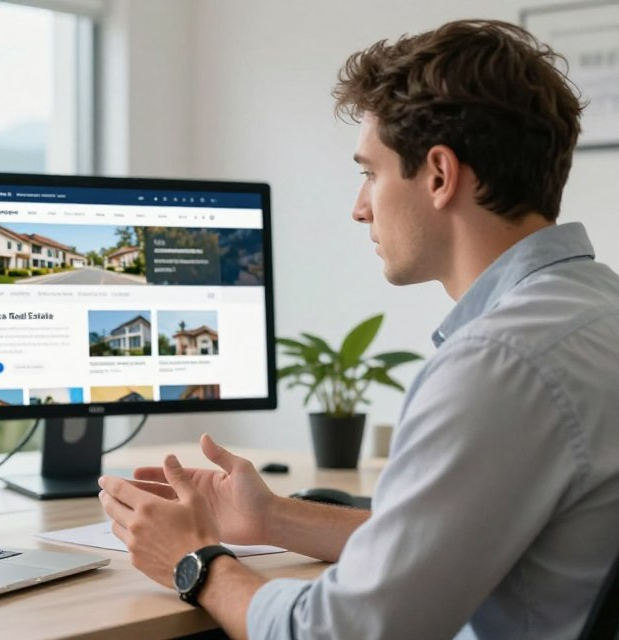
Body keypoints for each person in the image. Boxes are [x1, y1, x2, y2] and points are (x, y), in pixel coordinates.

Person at [98, 19, 619, 639]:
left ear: (438, 175)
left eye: (370, 172)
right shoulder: (593, 314)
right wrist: (271, 518)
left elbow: (344, 632)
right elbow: (436, 544)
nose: (359, 206)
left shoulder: (499, 364)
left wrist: (196, 565)